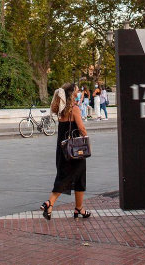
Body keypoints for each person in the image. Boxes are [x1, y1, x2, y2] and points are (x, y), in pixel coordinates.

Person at [40, 82, 91, 220]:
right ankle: (50, 202)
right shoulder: (74, 109)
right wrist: (86, 139)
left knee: (64, 176)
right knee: (78, 177)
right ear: (71, 93)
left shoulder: (61, 109)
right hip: (75, 149)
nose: (77, 90)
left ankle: (77, 208)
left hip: (62, 148)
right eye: (76, 89)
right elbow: (81, 128)